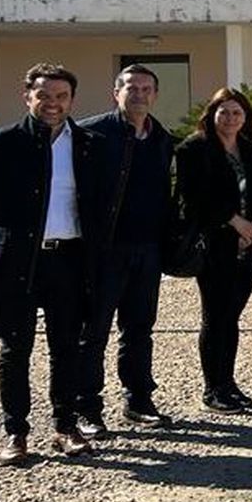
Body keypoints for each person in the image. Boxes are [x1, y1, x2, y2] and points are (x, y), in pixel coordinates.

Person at [0, 64, 104, 464]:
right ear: (28, 96)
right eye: (44, 96)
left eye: (61, 96)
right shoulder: (1, 143)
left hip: (70, 260)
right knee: (15, 348)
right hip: (20, 261)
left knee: (67, 348)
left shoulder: (88, 144)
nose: (52, 104)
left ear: (71, 100)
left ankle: (65, 427)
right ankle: (16, 432)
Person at [74, 64, 176, 435]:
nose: (139, 94)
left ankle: (138, 400)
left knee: (139, 328)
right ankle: (86, 408)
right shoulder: (91, 134)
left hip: (147, 248)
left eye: (147, 89)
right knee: (94, 331)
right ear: (115, 92)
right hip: (105, 250)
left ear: (155, 95)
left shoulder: (162, 138)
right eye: (131, 88)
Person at [176, 88, 252, 414]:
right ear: (212, 113)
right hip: (214, 245)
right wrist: (234, 222)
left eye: (236, 113)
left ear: (245, 117)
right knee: (215, 316)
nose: (230, 118)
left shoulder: (251, 149)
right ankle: (212, 388)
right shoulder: (195, 149)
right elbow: (193, 198)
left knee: (232, 316)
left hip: (248, 246)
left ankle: (229, 383)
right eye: (224, 112)